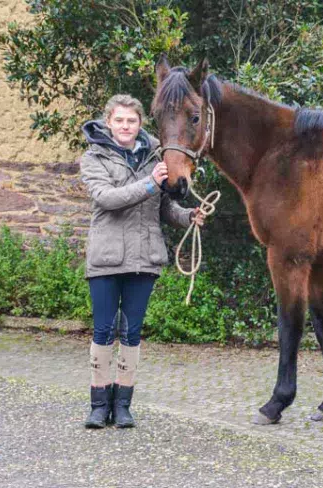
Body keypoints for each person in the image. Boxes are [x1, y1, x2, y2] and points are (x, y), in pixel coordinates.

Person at [80, 94, 206, 429]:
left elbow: (163, 208)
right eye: (119, 120)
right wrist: (151, 182)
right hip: (107, 257)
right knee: (104, 330)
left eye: (131, 121)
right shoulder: (93, 157)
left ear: (140, 124)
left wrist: (187, 216)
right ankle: (98, 404)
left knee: (132, 332)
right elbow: (107, 199)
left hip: (144, 258)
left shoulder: (156, 155)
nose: (125, 126)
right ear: (109, 122)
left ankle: (123, 405)